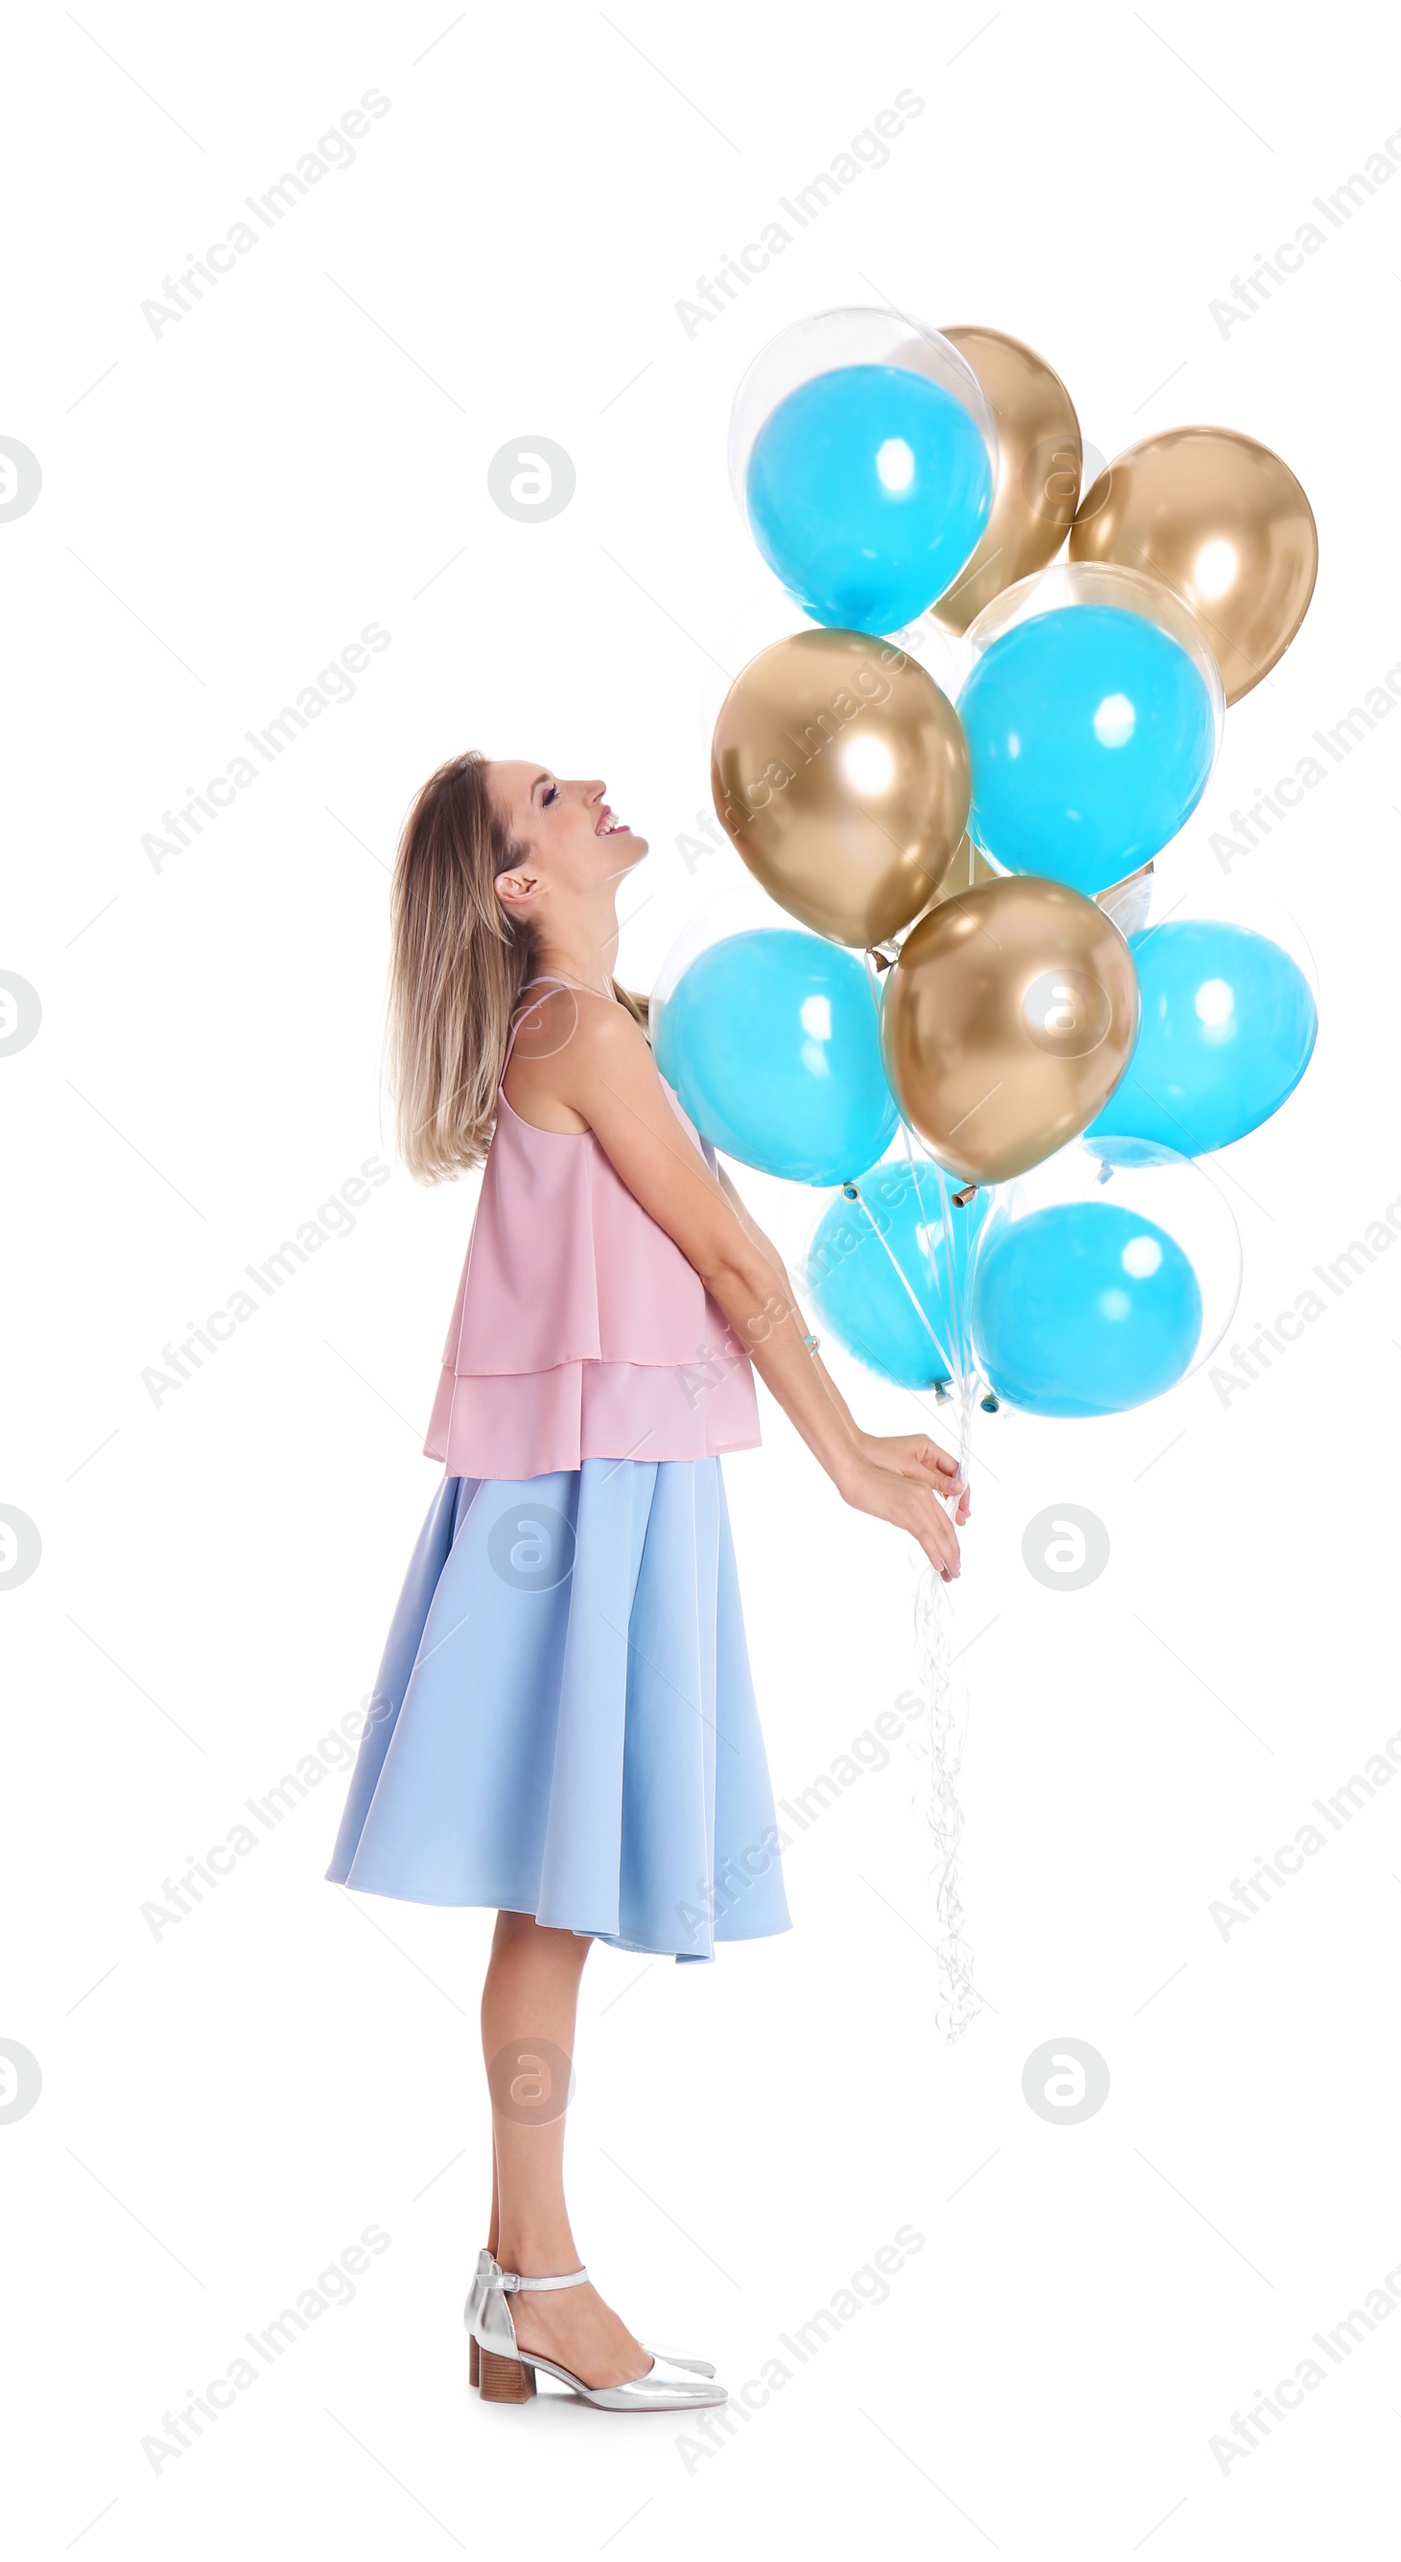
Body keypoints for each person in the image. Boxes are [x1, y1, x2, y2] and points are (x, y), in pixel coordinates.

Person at [326, 752, 967, 2412]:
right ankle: (539, 2280)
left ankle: (505, 2283)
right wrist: (852, 1458)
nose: (593, 782)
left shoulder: (616, 1019)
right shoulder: (583, 1035)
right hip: (579, 1490)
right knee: (555, 1887)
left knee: (559, 1881)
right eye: (550, 795)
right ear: (520, 887)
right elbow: (733, 1265)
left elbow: (745, 1218)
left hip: (599, 1473)